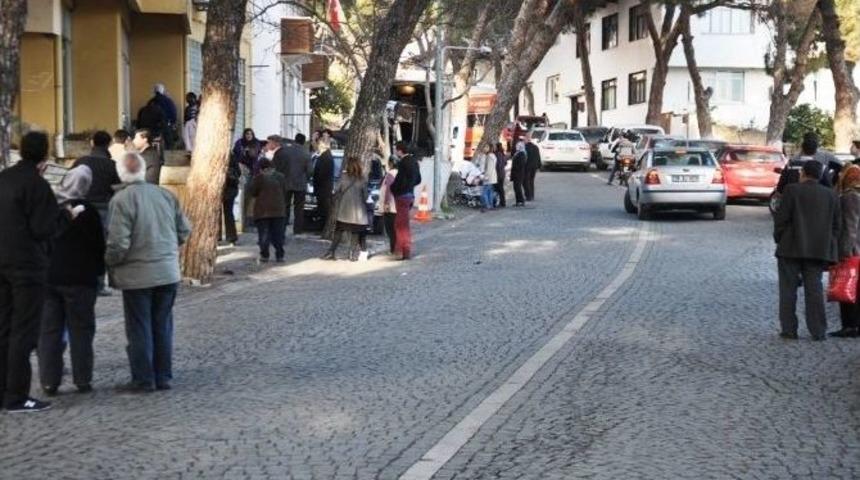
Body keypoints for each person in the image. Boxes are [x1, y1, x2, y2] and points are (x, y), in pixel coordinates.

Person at [106, 152, 191, 393]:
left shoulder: (121, 200)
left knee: (139, 326)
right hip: (167, 271)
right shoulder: (164, 195)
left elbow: (118, 244)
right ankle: (162, 376)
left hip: (137, 275)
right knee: (162, 325)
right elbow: (184, 230)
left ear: (121, 173)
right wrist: (167, 248)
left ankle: (143, 379)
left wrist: (110, 263)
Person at [0, 131, 71, 413]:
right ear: (44, 156)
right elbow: (45, 229)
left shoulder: (4, 179)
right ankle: (17, 396)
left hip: (2, 262)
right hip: (27, 266)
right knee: (24, 331)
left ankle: (4, 391)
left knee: (3, 328)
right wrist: (66, 217)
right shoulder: (37, 185)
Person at [38, 165, 105, 396]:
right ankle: (82, 378)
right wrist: (98, 272)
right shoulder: (90, 212)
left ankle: (49, 380)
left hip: (50, 277)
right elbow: (99, 246)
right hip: (81, 279)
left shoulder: (50, 208)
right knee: (82, 330)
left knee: (49, 331)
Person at [774, 160, 840, 341]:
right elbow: (836, 226)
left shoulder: (791, 190)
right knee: (815, 290)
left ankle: (789, 329)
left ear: (802, 173)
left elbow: (781, 219)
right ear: (820, 176)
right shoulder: (831, 195)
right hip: (818, 249)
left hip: (790, 247)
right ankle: (818, 331)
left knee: (787, 290)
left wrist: (779, 238)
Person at [73, 131, 120, 296]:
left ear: (92, 142)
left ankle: (79, 279)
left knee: (79, 244)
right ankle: (99, 284)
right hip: (103, 208)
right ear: (108, 145)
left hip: (81, 208)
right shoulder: (111, 165)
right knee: (101, 246)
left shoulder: (80, 162)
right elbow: (117, 186)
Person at [322, 156, 369, 262]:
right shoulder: (362, 179)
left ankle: (331, 251)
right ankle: (352, 254)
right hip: (358, 212)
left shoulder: (343, 177)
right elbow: (365, 196)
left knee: (338, 231)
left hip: (344, 210)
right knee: (355, 233)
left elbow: (336, 189)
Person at [833, 165, 860, 338]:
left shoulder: (850, 197)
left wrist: (845, 251)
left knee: (847, 287)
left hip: (853, 250)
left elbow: (850, 226)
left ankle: (850, 326)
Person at [250, 158, 289, 263]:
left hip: (262, 211)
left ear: (261, 168)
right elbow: (285, 191)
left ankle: (265, 255)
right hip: (279, 210)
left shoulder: (259, 178)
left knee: (264, 234)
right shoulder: (281, 177)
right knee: (278, 234)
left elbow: (253, 192)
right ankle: (280, 255)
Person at [274, 133, 313, 234]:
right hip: (300, 184)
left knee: (285, 205)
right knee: (299, 208)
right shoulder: (306, 153)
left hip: (285, 182)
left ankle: (283, 226)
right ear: (304, 142)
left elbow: (277, 166)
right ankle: (297, 229)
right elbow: (310, 171)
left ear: (295, 140)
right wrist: (306, 178)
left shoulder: (285, 151)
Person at [390, 142, 421, 260]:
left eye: (396, 150)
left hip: (402, 195)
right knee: (402, 223)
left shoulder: (403, 163)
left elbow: (399, 180)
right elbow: (418, 179)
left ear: (399, 150)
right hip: (410, 195)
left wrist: (394, 189)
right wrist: (410, 187)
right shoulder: (414, 161)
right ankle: (402, 249)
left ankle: (404, 249)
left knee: (401, 224)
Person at [313, 137, 336, 232]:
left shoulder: (325, 157)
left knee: (324, 211)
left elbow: (320, 174)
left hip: (323, 188)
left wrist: (316, 182)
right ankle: (322, 228)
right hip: (323, 188)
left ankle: (322, 228)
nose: (317, 147)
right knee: (322, 210)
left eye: (319, 144)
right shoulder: (325, 156)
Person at [380, 156, 399, 255]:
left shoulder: (391, 174)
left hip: (390, 206)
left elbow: (388, 189)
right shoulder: (399, 174)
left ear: (391, 163)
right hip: (396, 205)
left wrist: (386, 203)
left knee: (390, 229)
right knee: (393, 229)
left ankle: (393, 249)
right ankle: (395, 248)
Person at [151, 83, 178, 148]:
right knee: (169, 144)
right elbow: (173, 114)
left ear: (154, 91)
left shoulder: (151, 102)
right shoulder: (168, 101)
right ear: (163, 91)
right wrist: (172, 122)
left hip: (154, 128)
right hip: (166, 126)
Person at [223, 152, 241, 245]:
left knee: (216, 214)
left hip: (224, 189)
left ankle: (217, 237)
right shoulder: (232, 157)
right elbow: (239, 172)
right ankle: (231, 237)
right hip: (231, 189)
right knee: (229, 213)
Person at [475, 144, 497, 212]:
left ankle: (487, 206)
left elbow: (488, 168)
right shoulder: (491, 156)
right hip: (491, 177)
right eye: (484, 147)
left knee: (484, 192)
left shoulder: (489, 156)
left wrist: (485, 176)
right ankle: (490, 205)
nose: (485, 148)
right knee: (489, 192)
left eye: (486, 147)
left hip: (487, 176)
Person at [524, 135, 541, 201]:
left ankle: (528, 196)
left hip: (527, 166)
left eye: (524, 140)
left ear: (527, 140)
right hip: (534, 167)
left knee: (526, 181)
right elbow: (538, 157)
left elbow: (524, 158)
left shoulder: (525, 148)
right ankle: (532, 195)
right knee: (531, 181)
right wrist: (539, 166)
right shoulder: (536, 147)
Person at [510, 141, 527, 207]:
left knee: (518, 187)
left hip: (518, 174)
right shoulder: (518, 153)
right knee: (516, 187)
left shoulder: (522, 154)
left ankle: (521, 200)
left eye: (517, 146)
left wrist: (515, 168)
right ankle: (518, 201)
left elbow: (520, 165)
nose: (516, 147)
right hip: (516, 173)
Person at [494, 142, 508, 208]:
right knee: (501, 188)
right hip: (502, 173)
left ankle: (501, 202)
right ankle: (502, 202)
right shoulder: (502, 154)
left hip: (498, 174)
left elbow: (498, 165)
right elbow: (505, 163)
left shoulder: (497, 154)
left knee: (499, 188)